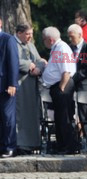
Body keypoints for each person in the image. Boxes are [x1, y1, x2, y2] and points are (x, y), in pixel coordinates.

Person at [41, 26, 79, 154]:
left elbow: (66, 71)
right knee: (60, 117)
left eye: (44, 39)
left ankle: (67, 146)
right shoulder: (57, 48)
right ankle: (62, 144)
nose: (43, 42)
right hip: (60, 85)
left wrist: (61, 88)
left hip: (63, 85)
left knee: (64, 117)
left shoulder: (61, 48)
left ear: (50, 40)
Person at [14, 23, 45, 154]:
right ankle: (21, 144)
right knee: (20, 116)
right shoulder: (11, 43)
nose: (30, 37)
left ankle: (32, 143)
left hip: (32, 85)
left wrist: (39, 67)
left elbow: (39, 60)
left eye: (31, 34)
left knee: (32, 115)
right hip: (20, 85)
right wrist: (29, 65)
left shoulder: (31, 45)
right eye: (27, 34)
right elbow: (11, 60)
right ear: (19, 33)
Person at [0, 18, 19, 158]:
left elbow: (13, 61)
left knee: (7, 117)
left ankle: (9, 146)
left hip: (5, 85)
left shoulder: (8, 39)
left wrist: (12, 83)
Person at [68, 23, 87, 143]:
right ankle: (74, 140)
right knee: (71, 112)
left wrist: (74, 78)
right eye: (69, 37)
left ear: (80, 35)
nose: (70, 39)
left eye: (72, 37)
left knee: (84, 113)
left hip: (83, 84)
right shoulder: (69, 48)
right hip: (71, 85)